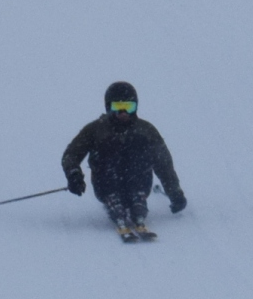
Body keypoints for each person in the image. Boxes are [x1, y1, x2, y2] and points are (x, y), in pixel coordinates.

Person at [63, 81, 187, 228]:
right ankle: (112, 199)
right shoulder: (96, 130)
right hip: (106, 184)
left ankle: (137, 197)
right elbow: (71, 155)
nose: (123, 113)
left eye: (129, 107)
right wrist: (74, 175)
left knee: (138, 145)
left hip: (139, 181)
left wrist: (174, 192)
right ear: (109, 107)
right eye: (118, 107)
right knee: (108, 146)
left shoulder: (146, 130)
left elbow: (163, 163)